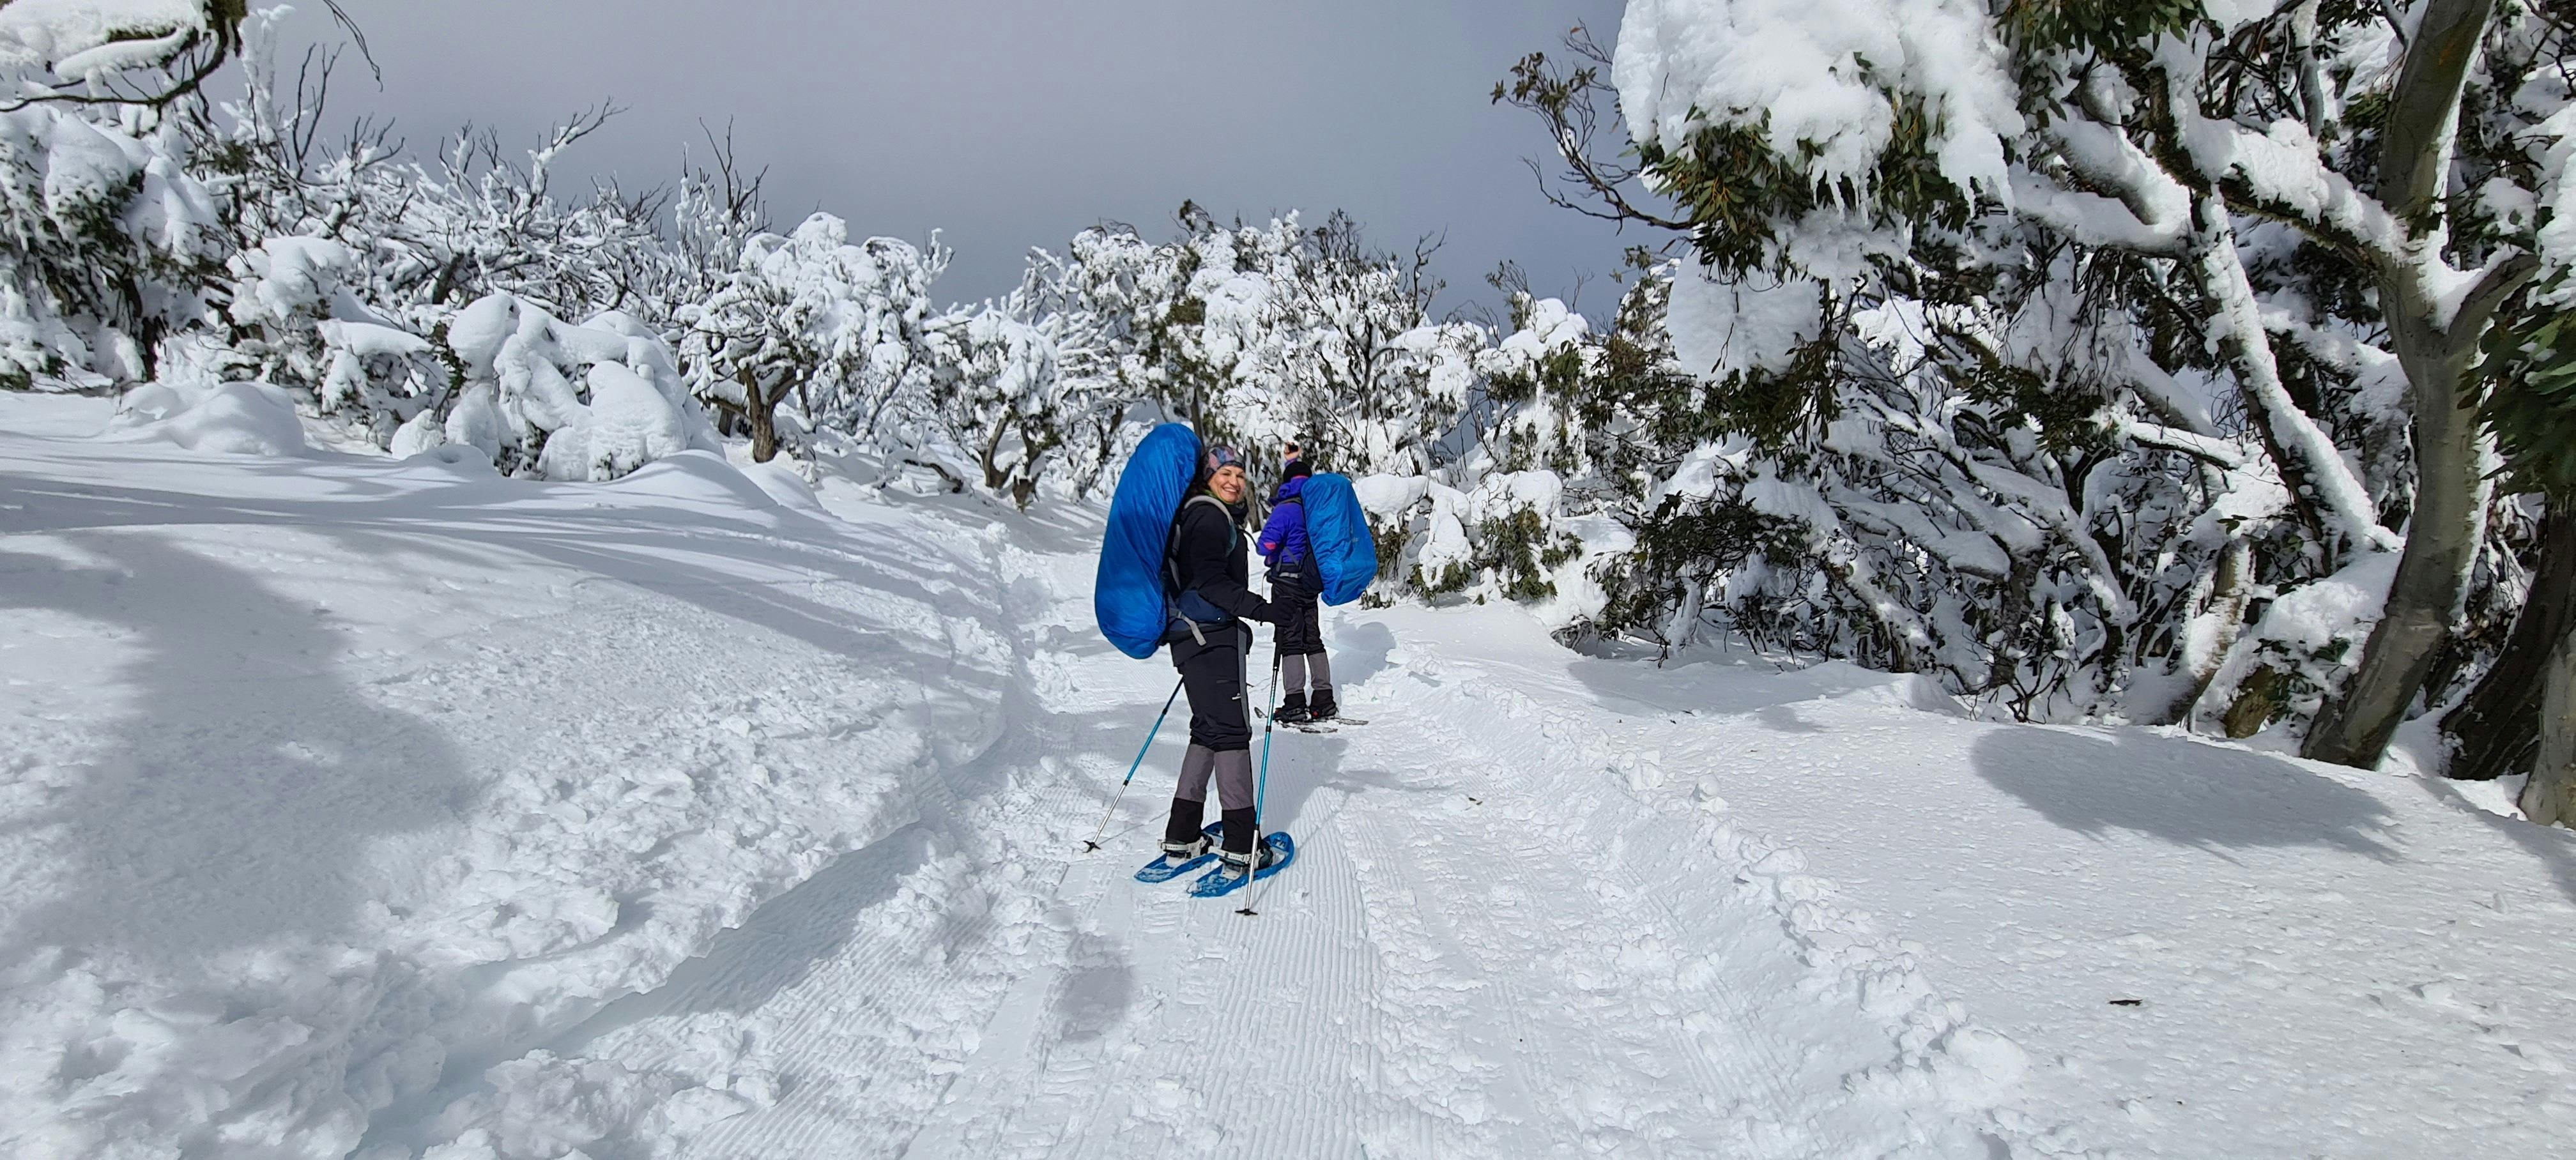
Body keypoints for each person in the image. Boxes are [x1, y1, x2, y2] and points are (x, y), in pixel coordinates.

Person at [1159, 445, 1282, 875]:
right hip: (1210, 638)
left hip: (1194, 637)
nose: (1234, 481)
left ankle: (1183, 835)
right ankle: (1241, 844)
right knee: (1231, 733)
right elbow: (1211, 582)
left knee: (1208, 731)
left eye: (1240, 475)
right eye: (1225, 473)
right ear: (1208, 476)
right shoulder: (1210, 517)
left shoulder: (1201, 515)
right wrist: (1263, 610)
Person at [1258, 444, 1334, 723]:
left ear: (1286, 482)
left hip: (1286, 584)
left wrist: (1276, 550)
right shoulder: (1316, 508)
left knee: (1291, 641)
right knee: (1312, 638)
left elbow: (1264, 545)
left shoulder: (1286, 509)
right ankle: (1324, 700)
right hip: (1311, 584)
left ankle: (1294, 702)